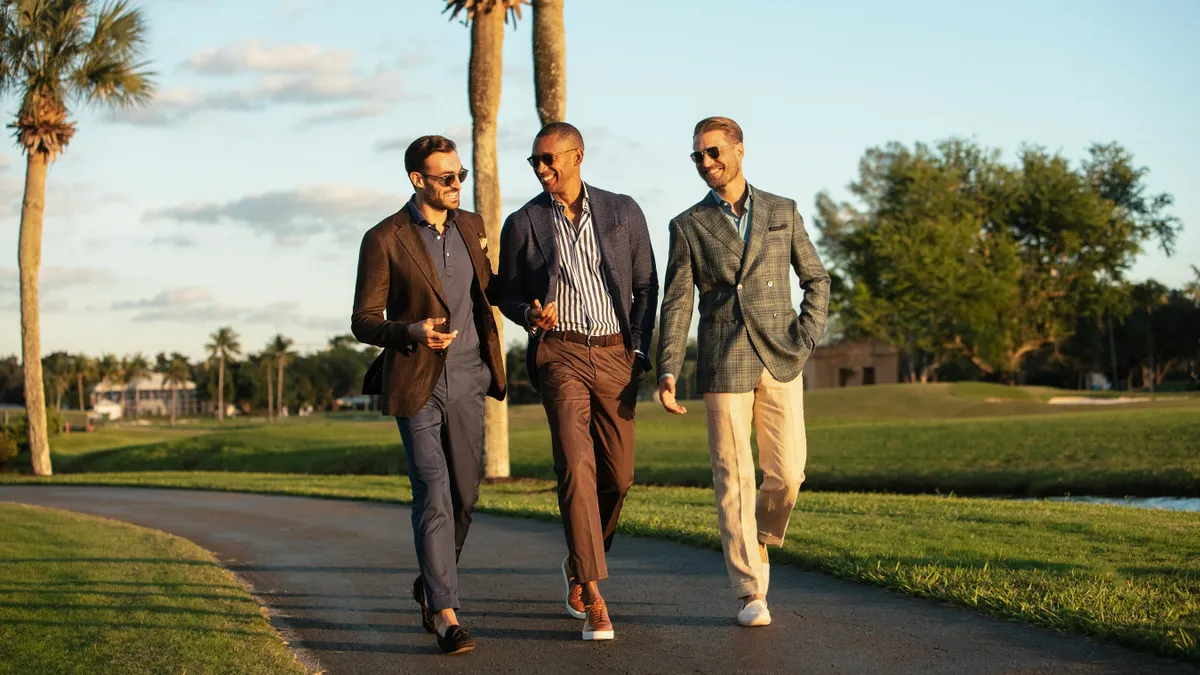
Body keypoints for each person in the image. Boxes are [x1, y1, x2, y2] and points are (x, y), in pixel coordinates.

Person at [655, 116, 830, 627]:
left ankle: (755, 536)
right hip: (722, 358)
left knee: (788, 472)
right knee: (733, 478)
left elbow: (815, 278)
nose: (707, 163)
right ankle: (751, 590)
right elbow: (677, 305)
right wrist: (668, 368)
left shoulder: (783, 210)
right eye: (698, 157)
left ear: (739, 151)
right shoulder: (687, 225)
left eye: (714, 152)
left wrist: (807, 337)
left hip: (782, 355)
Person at [497, 122, 658, 641]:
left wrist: (636, 348)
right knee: (574, 466)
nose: (542, 169)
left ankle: (579, 559)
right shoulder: (523, 222)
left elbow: (645, 285)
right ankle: (593, 593)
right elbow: (506, 292)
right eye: (534, 162)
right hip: (559, 353)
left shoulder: (622, 211)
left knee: (620, 476)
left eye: (549, 160)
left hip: (614, 353)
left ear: (577, 156)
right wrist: (529, 315)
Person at [351, 135, 506, 654]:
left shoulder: (471, 227)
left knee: (465, 494)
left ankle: (430, 582)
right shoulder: (384, 237)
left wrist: (533, 308)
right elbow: (364, 321)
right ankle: (445, 613)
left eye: (460, 174)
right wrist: (411, 331)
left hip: (468, 377)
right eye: (446, 177)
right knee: (433, 491)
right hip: (415, 380)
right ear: (418, 180)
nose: (457, 184)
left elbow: (490, 290)